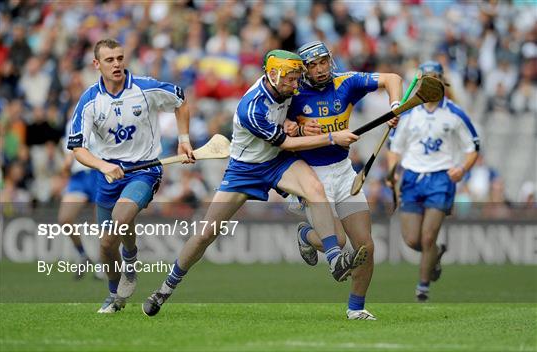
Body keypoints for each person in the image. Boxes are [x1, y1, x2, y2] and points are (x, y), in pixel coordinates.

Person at [142, 50, 363, 317]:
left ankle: (335, 260)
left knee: (314, 188)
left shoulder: (288, 87)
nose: (296, 85)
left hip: (278, 161)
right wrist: (331, 138)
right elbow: (287, 141)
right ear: (273, 75)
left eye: (297, 79)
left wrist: (299, 125)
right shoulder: (252, 108)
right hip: (245, 170)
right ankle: (165, 289)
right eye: (291, 80)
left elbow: (292, 121)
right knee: (204, 234)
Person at [67, 38, 194, 313]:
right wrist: (103, 166)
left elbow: (181, 100)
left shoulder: (145, 88)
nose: (117, 64)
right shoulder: (90, 100)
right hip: (108, 175)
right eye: (110, 60)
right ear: (96, 64)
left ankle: (130, 259)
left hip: (145, 170)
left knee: (122, 217)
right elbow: (77, 148)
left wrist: (184, 138)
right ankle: (115, 295)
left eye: (120, 58)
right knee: (105, 245)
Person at [284, 41, 403, 320]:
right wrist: (300, 128)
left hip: (343, 172)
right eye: (312, 65)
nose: (320, 69)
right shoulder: (292, 94)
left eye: (323, 62)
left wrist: (395, 106)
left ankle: (356, 308)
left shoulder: (346, 82)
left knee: (365, 247)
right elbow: (280, 133)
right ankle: (304, 235)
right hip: (311, 176)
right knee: (336, 239)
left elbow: (392, 79)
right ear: (304, 70)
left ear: (330, 61)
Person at [386, 61, 479, 302]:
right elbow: (394, 147)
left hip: (441, 178)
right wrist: (392, 171)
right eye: (426, 77)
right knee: (412, 240)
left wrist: (462, 168)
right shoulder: (407, 113)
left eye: (435, 76)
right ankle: (434, 255)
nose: (431, 80)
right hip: (412, 179)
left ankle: (422, 289)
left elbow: (473, 147)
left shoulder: (455, 114)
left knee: (428, 237)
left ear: (442, 80)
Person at [59, 118, 99, 280]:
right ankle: (83, 254)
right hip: (79, 176)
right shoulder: (72, 122)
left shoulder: (105, 113)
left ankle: (103, 263)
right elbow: (70, 150)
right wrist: (66, 164)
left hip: (99, 172)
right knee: (65, 219)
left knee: (101, 223)